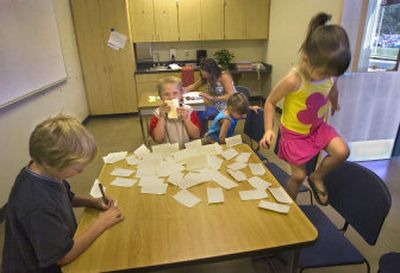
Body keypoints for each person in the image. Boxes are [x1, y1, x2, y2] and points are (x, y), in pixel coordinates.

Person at [1, 115, 124, 273]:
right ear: (52, 163)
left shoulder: (44, 172)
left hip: (56, 243)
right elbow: (63, 256)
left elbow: (66, 196)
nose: (81, 172)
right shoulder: (36, 203)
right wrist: (101, 223)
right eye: (78, 168)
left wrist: (92, 202)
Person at [259, 12, 351, 206]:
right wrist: (269, 129)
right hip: (294, 134)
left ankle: (317, 176)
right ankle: (289, 207)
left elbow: (332, 87)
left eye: (331, 74)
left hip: (317, 128)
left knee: (342, 151)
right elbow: (269, 102)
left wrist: (335, 102)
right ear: (307, 59)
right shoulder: (294, 79)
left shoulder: (329, 73)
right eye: (324, 73)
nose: (327, 77)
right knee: (299, 175)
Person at [184, 58, 236, 135]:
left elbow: (231, 95)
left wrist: (212, 98)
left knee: (202, 113)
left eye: (205, 74)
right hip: (216, 105)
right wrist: (181, 90)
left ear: (212, 71)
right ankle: (203, 134)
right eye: (202, 73)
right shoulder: (206, 77)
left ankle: (204, 134)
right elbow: (194, 86)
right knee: (198, 112)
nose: (204, 76)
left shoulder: (223, 76)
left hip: (228, 106)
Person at [149, 76, 201, 148]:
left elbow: (196, 135)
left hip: (186, 150)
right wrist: (162, 118)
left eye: (175, 93)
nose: (171, 97)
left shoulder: (189, 111)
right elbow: (158, 139)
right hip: (166, 151)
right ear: (160, 96)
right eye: (166, 94)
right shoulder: (157, 114)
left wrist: (186, 119)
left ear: (181, 94)